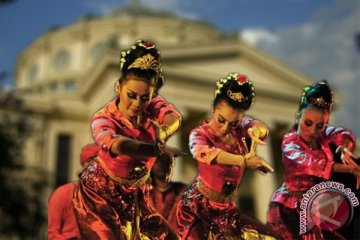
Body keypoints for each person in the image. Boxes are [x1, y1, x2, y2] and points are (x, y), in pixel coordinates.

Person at [73, 39, 182, 239]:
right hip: (99, 195)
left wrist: (163, 133)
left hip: (135, 195)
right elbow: (118, 144)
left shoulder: (151, 103)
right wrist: (153, 149)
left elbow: (173, 118)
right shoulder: (103, 118)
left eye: (145, 98)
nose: (137, 104)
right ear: (118, 88)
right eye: (131, 95)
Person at [176, 72, 279, 239]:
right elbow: (203, 153)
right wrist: (243, 161)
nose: (225, 128)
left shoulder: (241, 129)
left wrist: (258, 131)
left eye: (233, 123)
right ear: (213, 110)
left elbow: (258, 127)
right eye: (221, 120)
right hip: (198, 208)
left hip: (226, 209)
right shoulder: (199, 134)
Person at [266, 80, 360, 240]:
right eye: (307, 123)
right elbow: (310, 164)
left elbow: (342, 134)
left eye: (319, 126)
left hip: (316, 206)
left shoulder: (322, 135)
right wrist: (348, 168)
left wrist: (344, 147)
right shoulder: (290, 142)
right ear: (298, 117)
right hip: (289, 209)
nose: (312, 131)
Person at [48, 143, 99, 240]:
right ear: (83, 164)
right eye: (90, 161)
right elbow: (53, 234)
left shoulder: (108, 197)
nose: (94, 166)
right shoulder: (63, 193)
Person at [149, 152, 187, 232]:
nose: (160, 164)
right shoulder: (145, 193)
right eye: (156, 161)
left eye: (163, 161)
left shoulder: (185, 193)